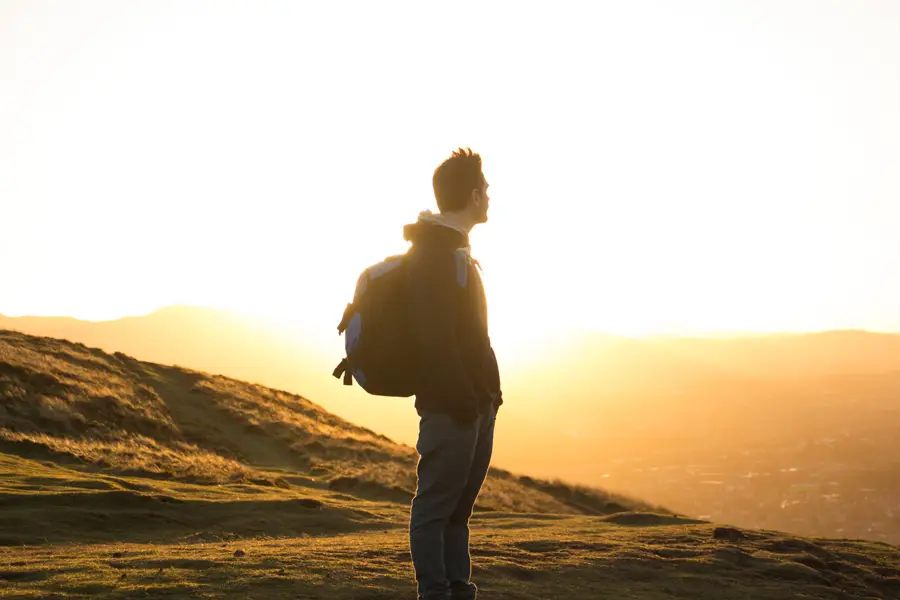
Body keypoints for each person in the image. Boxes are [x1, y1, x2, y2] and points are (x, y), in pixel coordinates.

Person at [402, 147, 503, 600]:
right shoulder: (435, 255)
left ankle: (457, 587)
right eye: (486, 189)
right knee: (436, 506)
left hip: (475, 404)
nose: (491, 197)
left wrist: (489, 397)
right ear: (474, 194)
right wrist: (465, 400)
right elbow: (433, 338)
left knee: (458, 509)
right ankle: (436, 592)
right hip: (452, 407)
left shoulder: (455, 249)